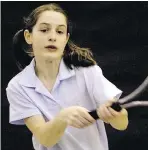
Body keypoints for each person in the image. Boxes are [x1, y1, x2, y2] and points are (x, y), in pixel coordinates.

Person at [6, 3, 128, 150]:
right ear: (28, 36)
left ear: (65, 39)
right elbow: (45, 138)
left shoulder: (88, 72)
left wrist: (115, 115)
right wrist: (64, 117)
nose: (52, 37)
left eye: (59, 32)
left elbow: (122, 124)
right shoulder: (18, 86)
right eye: (44, 30)